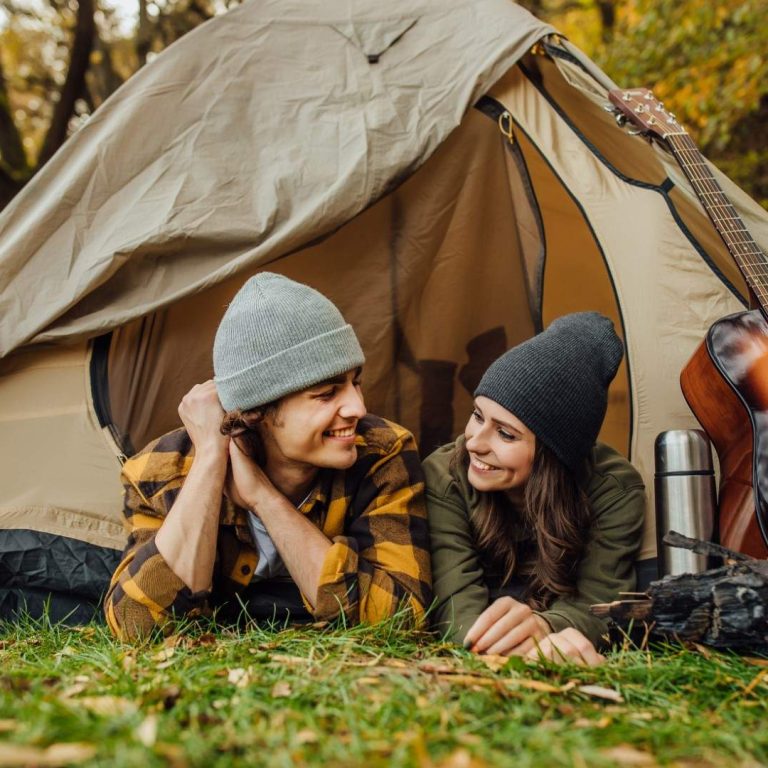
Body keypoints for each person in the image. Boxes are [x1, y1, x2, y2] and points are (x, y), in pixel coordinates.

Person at [104, 273, 431, 640]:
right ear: (256, 412)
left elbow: (401, 619)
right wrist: (212, 459)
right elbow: (138, 625)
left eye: (356, 381)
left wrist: (264, 498)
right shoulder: (160, 470)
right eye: (326, 393)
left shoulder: (382, 453)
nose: (358, 406)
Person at [423, 313, 645, 666]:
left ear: (552, 453)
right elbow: (456, 610)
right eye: (478, 415)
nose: (475, 443)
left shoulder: (614, 488)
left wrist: (544, 626)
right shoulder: (445, 474)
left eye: (506, 433)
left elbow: (602, 602)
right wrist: (498, 643)